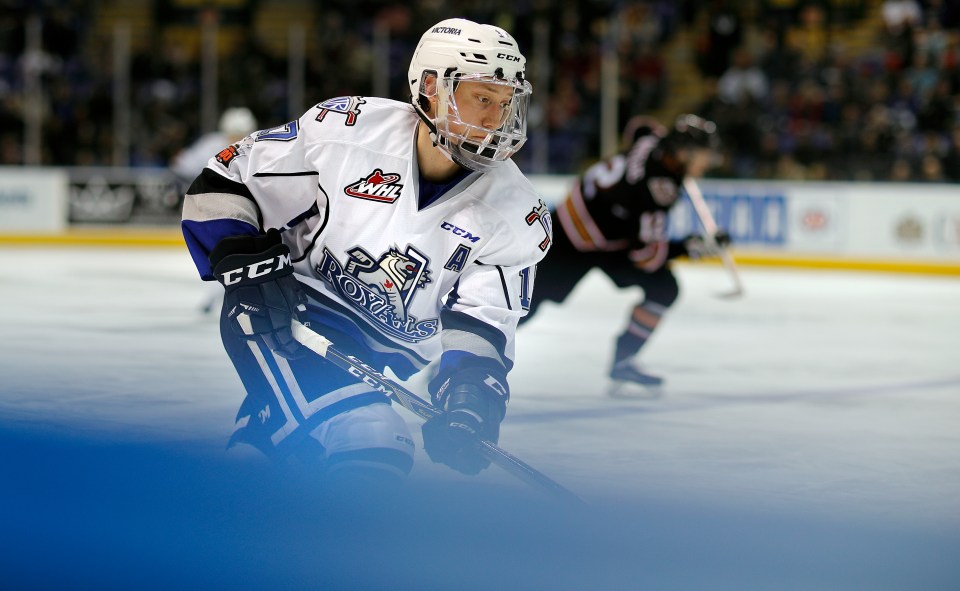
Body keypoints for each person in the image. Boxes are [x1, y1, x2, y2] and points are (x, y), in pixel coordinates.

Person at [180, 18, 550, 488]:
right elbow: (225, 181)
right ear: (432, 87)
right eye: (482, 98)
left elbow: (482, 323)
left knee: (274, 455)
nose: (496, 119)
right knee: (373, 438)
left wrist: (470, 398)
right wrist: (246, 262)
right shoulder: (347, 131)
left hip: (380, 361)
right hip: (284, 317)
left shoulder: (518, 212)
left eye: (505, 103)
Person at [520, 114, 727, 387]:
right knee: (531, 300)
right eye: (703, 155)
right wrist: (693, 247)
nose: (706, 162)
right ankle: (474, 343)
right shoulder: (656, 189)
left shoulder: (652, 140)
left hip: (599, 228)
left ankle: (623, 362)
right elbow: (647, 256)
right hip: (576, 237)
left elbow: (639, 125)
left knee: (664, 287)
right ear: (683, 152)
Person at [172, 107, 259, 314]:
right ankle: (222, 296)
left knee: (233, 254)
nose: (236, 138)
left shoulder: (258, 146)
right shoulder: (212, 145)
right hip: (216, 211)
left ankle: (226, 295)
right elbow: (181, 166)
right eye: (233, 134)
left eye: (240, 134)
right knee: (224, 254)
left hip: (243, 212)